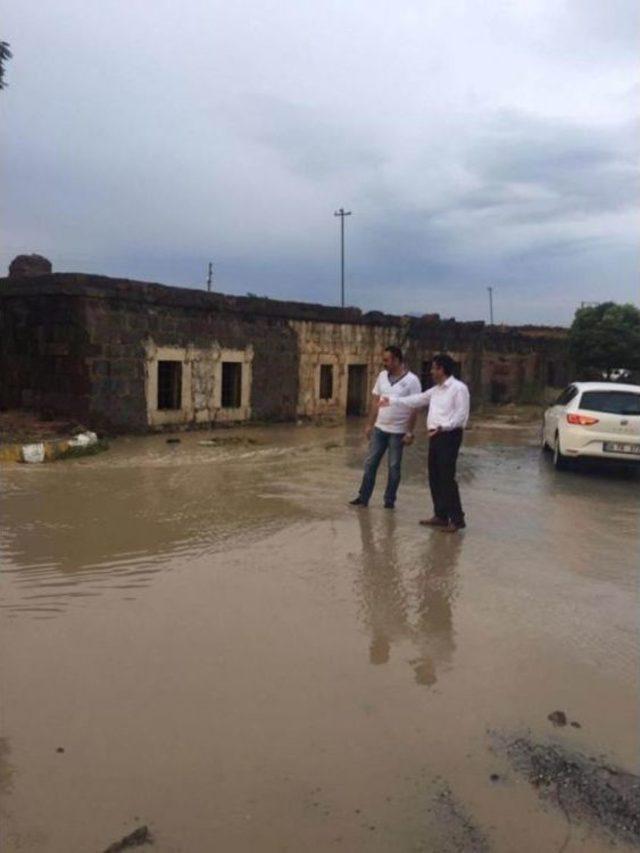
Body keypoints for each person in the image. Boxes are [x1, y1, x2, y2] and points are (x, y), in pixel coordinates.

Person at [379, 353, 470, 532]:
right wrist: (392, 400)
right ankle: (441, 515)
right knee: (434, 476)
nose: (431, 372)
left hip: (449, 436)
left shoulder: (459, 389)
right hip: (435, 436)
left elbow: (461, 416)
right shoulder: (435, 390)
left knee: (446, 477)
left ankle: (457, 519)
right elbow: (417, 399)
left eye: (434, 368)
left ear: (441, 369)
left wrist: (443, 427)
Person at [349, 346, 421, 509]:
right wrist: (369, 424)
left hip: (398, 432)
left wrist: (410, 432)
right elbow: (376, 401)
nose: (384, 363)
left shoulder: (412, 381)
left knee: (394, 467)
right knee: (370, 463)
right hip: (380, 429)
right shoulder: (382, 376)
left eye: (387, 360)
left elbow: (415, 408)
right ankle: (363, 497)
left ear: (397, 360)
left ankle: (389, 501)